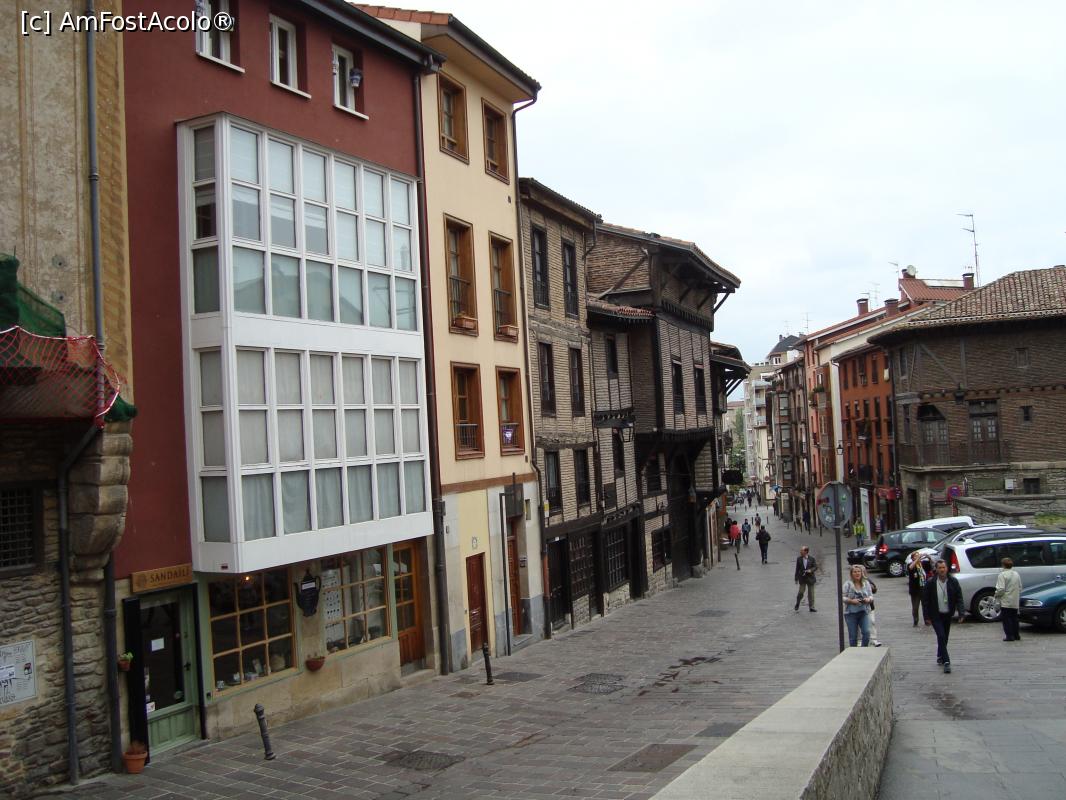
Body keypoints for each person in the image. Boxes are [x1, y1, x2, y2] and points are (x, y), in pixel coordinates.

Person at [922, 559, 965, 673]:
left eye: (944, 567)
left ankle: (940, 655)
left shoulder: (953, 581)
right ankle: (946, 662)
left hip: (947, 614)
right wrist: (926, 617)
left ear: (947, 568)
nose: (942, 570)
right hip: (935, 614)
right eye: (940, 568)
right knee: (941, 635)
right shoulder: (931, 582)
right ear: (936, 569)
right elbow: (925, 601)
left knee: (944, 637)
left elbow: (959, 597)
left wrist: (961, 613)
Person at [843, 564, 873, 646]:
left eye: (859, 571)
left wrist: (868, 599)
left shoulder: (866, 583)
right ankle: (853, 651)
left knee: (866, 632)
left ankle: (864, 649)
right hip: (851, 613)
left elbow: (871, 596)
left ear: (861, 573)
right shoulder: (847, 584)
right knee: (853, 636)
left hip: (864, 611)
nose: (857, 573)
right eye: (855, 572)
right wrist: (851, 601)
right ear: (851, 574)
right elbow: (842, 597)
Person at [994, 557, 1023, 642]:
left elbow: (1001, 589)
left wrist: (996, 595)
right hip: (1015, 600)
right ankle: (1016, 635)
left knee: (1006, 619)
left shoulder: (1002, 575)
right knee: (1014, 618)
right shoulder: (1016, 574)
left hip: (1006, 600)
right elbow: (1020, 587)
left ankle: (1009, 636)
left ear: (1003, 565)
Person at [860, 566, 883, 646]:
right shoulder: (852, 582)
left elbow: (874, 589)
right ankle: (860, 640)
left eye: (863, 571)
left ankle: (874, 639)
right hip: (858, 606)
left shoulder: (867, 580)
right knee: (859, 624)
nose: (861, 573)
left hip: (869, 606)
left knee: (872, 621)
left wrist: (872, 587)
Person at [906, 551, 929, 627]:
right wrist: (917, 559)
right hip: (915, 590)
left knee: (925, 605)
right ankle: (915, 620)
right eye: (916, 556)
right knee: (915, 607)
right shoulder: (911, 564)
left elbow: (933, 565)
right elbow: (910, 567)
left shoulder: (922, 564)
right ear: (912, 558)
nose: (918, 557)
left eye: (918, 555)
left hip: (923, 588)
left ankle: (927, 620)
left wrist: (929, 557)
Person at [793, 546, 817, 611]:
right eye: (801, 550)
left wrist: (811, 570)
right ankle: (798, 602)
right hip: (802, 578)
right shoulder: (799, 559)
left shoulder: (812, 558)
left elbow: (815, 567)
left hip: (810, 578)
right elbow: (797, 569)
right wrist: (796, 578)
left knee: (811, 593)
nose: (800, 551)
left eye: (802, 550)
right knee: (801, 592)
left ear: (806, 551)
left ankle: (811, 607)